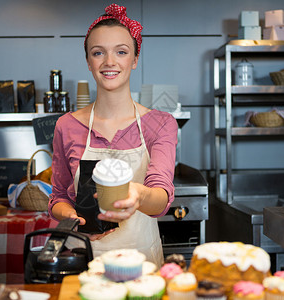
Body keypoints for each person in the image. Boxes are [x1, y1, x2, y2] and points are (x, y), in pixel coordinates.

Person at [48, 3, 178, 266]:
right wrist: (75, 217)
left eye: (121, 51)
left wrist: (137, 195)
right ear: (88, 61)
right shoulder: (66, 125)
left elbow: (162, 197)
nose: (109, 62)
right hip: (81, 260)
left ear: (135, 59)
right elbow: (58, 197)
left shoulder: (161, 124)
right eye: (98, 53)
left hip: (141, 265)